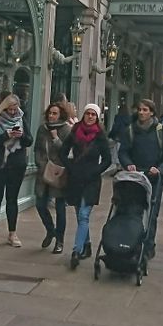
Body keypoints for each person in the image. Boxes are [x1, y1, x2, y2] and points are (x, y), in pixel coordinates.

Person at [118, 98, 163, 259]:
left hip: (154, 179)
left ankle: (148, 246)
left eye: (145, 110)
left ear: (152, 112)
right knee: (132, 211)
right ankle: (132, 243)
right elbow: (123, 151)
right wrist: (128, 164)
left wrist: (160, 169)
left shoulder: (161, 131)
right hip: (134, 178)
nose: (141, 112)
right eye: (140, 109)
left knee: (151, 215)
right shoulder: (130, 130)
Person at [60, 103, 111, 270]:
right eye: (88, 113)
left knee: (83, 215)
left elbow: (107, 159)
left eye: (93, 114)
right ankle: (87, 244)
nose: (90, 117)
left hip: (91, 180)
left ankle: (76, 251)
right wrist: (70, 166)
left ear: (97, 117)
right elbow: (63, 152)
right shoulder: (75, 131)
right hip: (75, 179)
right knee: (79, 214)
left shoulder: (100, 136)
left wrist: (96, 171)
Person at [0, 93, 32, 248]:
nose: (12, 112)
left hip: (16, 164)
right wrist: (5, 135)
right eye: (9, 109)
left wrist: (21, 135)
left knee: (12, 199)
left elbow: (29, 140)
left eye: (14, 109)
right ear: (3, 108)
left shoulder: (21, 119)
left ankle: (12, 233)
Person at [33, 102, 72, 253]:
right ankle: (50, 230)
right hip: (43, 171)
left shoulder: (66, 130)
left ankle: (60, 240)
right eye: (50, 113)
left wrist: (56, 139)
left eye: (54, 113)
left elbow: (67, 152)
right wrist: (40, 163)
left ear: (60, 115)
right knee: (40, 204)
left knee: (60, 208)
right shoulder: (42, 129)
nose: (51, 116)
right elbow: (37, 148)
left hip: (59, 172)